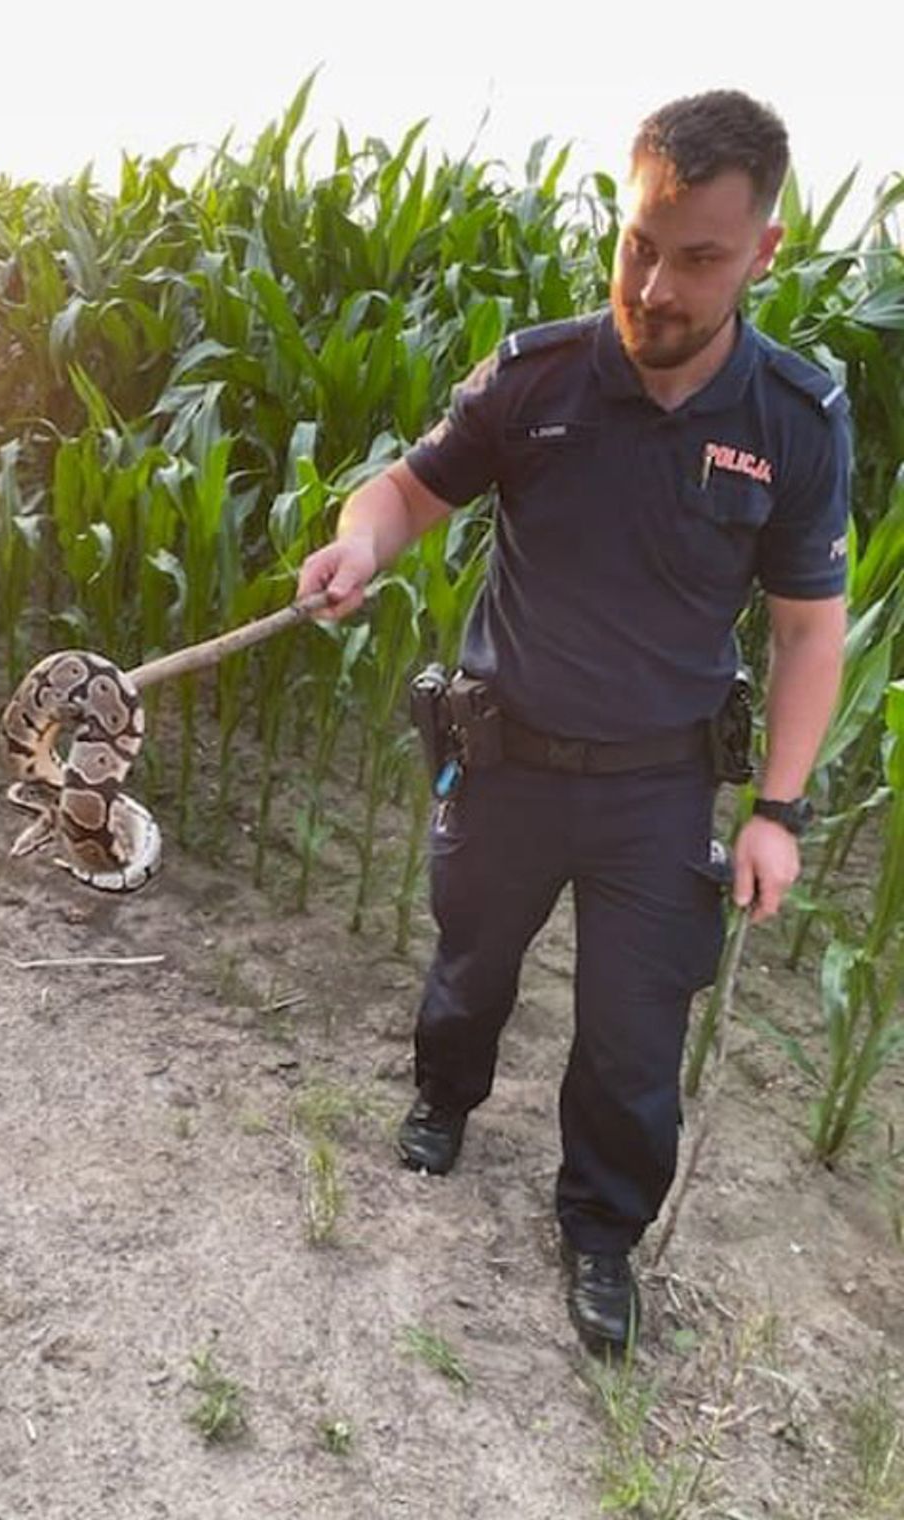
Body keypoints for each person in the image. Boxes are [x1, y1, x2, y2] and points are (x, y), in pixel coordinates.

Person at [296, 90, 850, 1357]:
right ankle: (444, 1098)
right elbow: (406, 490)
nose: (653, 285)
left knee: (631, 1031)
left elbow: (810, 630)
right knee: (471, 961)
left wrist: (777, 809)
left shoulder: (792, 422)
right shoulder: (539, 375)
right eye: (639, 243)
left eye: (698, 258)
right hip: (506, 762)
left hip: (658, 789)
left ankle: (601, 1232)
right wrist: (357, 546)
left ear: (763, 251)